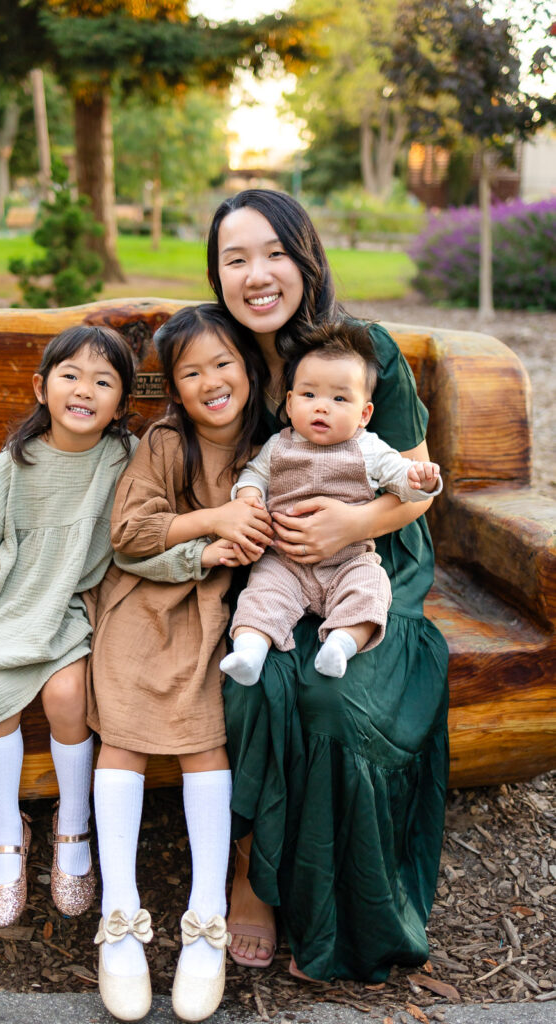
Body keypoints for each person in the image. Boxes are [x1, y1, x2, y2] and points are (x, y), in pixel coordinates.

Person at [205, 190, 449, 983]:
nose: (257, 274)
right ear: (216, 276)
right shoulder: (222, 358)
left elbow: (413, 485)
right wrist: (30, 458)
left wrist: (348, 527)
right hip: (267, 570)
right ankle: (251, 875)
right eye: (234, 259)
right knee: (256, 683)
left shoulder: (362, 346)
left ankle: (338, 907)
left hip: (374, 562)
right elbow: (140, 432)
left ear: (305, 257)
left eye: (273, 252)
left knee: (331, 701)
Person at [0, 325, 136, 930]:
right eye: (70, 375)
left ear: (120, 402)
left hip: (69, 605)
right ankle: (8, 835)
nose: (84, 389)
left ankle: (73, 822)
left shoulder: (123, 457)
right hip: (11, 600)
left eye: (103, 380)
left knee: (68, 694)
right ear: (41, 387)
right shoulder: (18, 461)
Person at [84, 304, 273, 1023]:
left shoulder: (272, 444)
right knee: (124, 734)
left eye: (222, 364)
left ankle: (205, 916)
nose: (209, 382)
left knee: (204, 740)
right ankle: (121, 912)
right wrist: (210, 526)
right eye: (190, 372)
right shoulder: (165, 441)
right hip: (143, 600)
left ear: (249, 371)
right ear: (173, 388)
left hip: (216, 614)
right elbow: (129, 535)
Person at [221, 320, 442, 687]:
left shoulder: (368, 448)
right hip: (285, 560)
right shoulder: (279, 446)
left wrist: (421, 480)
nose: (322, 408)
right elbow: (254, 475)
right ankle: (249, 651)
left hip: (348, 559)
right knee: (261, 595)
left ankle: (341, 644)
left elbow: (402, 479)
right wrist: (249, 495)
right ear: (290, 404)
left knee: (371, 589)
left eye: (339, 399)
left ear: (364, 415)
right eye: (309, 396)